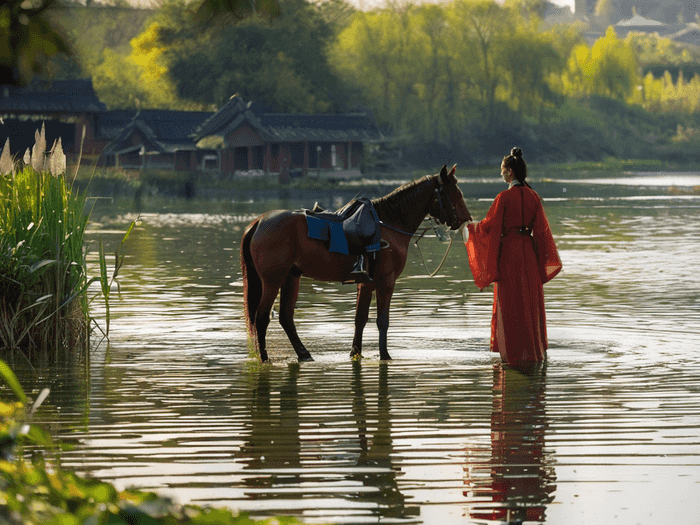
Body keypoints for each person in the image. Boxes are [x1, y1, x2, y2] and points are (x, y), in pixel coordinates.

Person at [464, 148, 562, 365]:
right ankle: (534, 351)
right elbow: (542, 233)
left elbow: (491, 227)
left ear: (510, 172)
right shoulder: (533, 196)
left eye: (502, 170)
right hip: (528, 253)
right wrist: (540, 263)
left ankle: (514, 355)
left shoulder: (504, 197)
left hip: (509, 254)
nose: (501, 174)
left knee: (510, 304)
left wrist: (470, 229)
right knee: (529, 302)